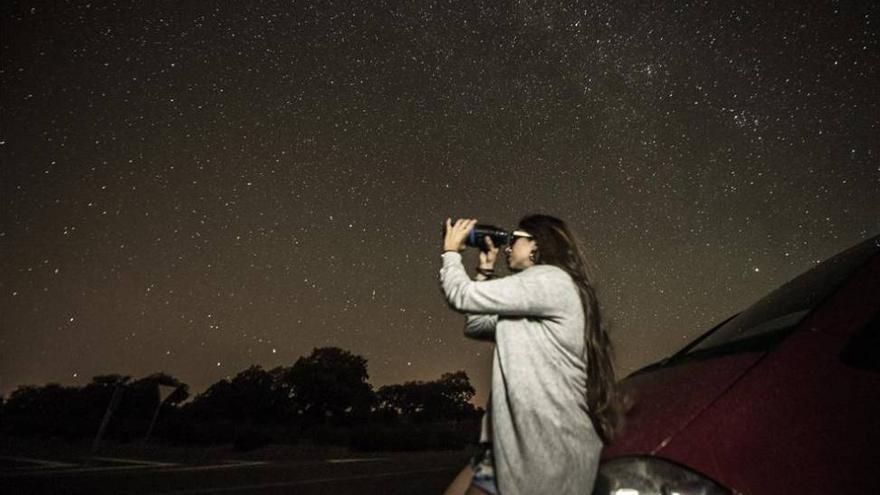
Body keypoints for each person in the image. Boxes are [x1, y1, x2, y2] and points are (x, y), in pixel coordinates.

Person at [439, 215, 624, 495]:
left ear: (537, 243)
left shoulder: (550, 279)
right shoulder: (533, 294)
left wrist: (451, 251)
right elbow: (476, 325)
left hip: (544, 449)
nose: (508, 248)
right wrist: (485, 272)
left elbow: (461, 295)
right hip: (510, 446)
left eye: (514, 239)